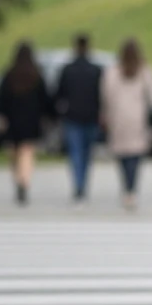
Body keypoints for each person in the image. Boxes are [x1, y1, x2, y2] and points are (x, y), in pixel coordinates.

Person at [101, 38, 152, 211]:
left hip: (118, 116)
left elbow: (106, 95)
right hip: (137, 116)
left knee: (122, 154)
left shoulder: (113, 71)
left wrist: (107, 114)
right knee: (135, 154)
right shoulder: (144, 71)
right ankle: (132, 190)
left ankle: (125, 187)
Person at [0, 41, 52, 206]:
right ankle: (24, 180)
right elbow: (45, 99)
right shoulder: (36, 76)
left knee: (14, 153)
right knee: (27, 152)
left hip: (12, 121)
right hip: (31, 121)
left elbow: (0, 99)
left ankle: (18, 179)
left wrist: (0, 115)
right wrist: (49, 115)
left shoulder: (9, 75)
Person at [54, 33, 103, 203]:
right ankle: (83, 184)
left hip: (72, 117)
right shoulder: (96, 70)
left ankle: (78, 185)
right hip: (91, 117)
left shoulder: (67, 70)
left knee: (75, 152)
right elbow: (101, 96)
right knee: (87, 154)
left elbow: (59, 95)